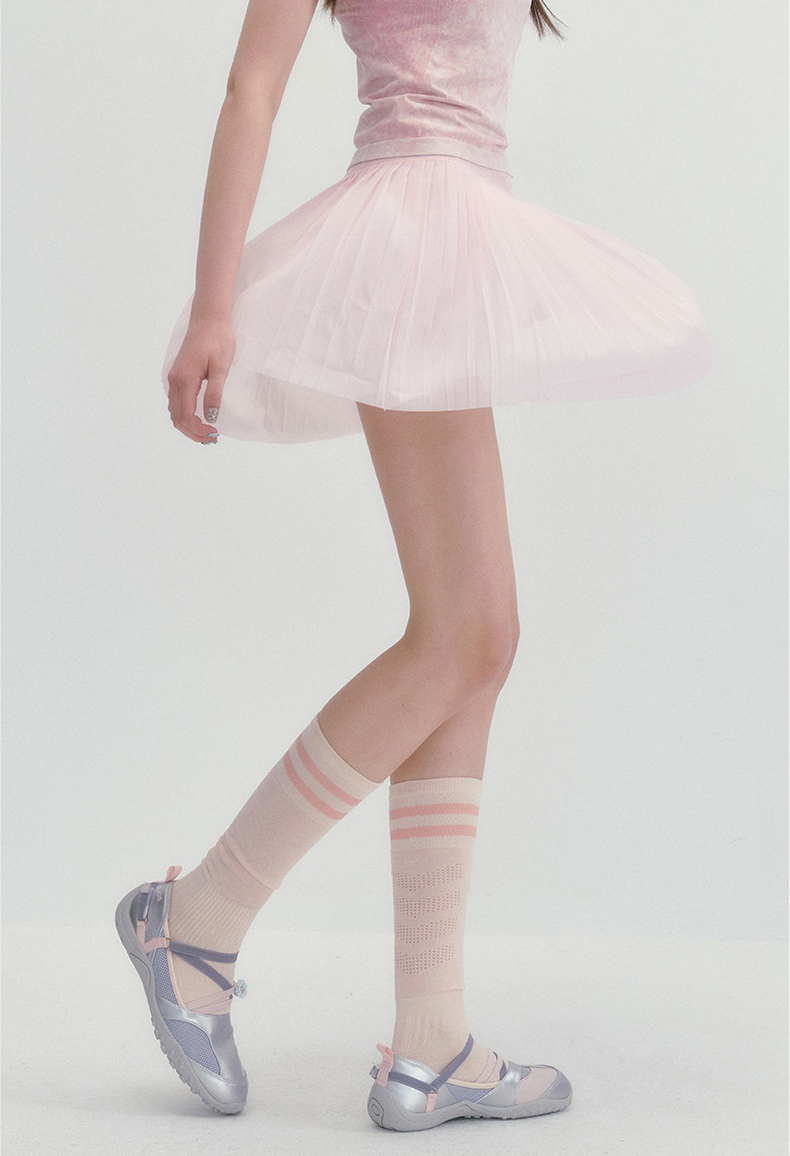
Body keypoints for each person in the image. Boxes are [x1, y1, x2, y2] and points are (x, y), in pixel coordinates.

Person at [115, 0, 715, 1132]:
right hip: (407, 239)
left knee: (471, 635)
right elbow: (251, 88)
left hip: (458, 232)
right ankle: (195, 922)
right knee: (471, 633)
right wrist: (211, 309)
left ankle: (431, 1039)